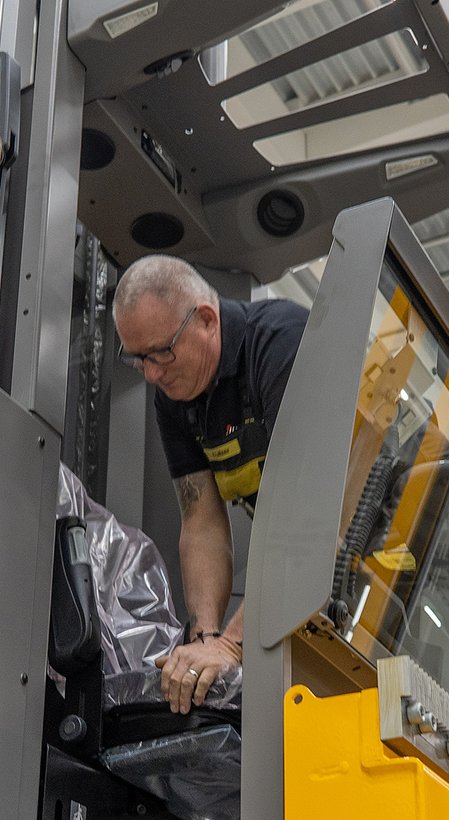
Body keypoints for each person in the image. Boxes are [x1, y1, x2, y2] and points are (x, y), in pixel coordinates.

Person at [110, 256, 307, 714]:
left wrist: (234, 647)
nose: (153, 374)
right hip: (302, 564)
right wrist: (206, 639)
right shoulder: (175, 396)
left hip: (379, 553)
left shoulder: (282, 344)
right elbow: (200, 519)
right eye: (138, 360)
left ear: (206, 319)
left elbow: (306, 518)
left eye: (161, 352)